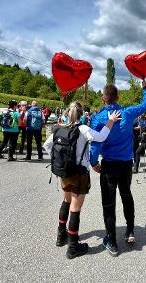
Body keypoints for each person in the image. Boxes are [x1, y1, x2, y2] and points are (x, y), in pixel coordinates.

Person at [43, 101, 121, 259]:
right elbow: (101, 137)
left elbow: (47, 145)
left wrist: (60, 160)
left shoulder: (60, 128)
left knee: (65, 201)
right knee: (75, 208)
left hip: (64, 172)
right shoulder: (83, 129)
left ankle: (60, 236)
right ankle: (73, 246)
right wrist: (111, 120)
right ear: (81, 114)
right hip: (79, 173)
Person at [90, 81, 146, 256]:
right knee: (126, 195)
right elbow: (145, 105)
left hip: (109, 165)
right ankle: (130, 231)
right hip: (126, 164)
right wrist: (145, 87)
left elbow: (96, 143)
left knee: (109, 203)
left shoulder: (99, 117)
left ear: (103, 99)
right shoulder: (128, 112)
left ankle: (112, 241)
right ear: (117, 97)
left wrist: (93, 162)